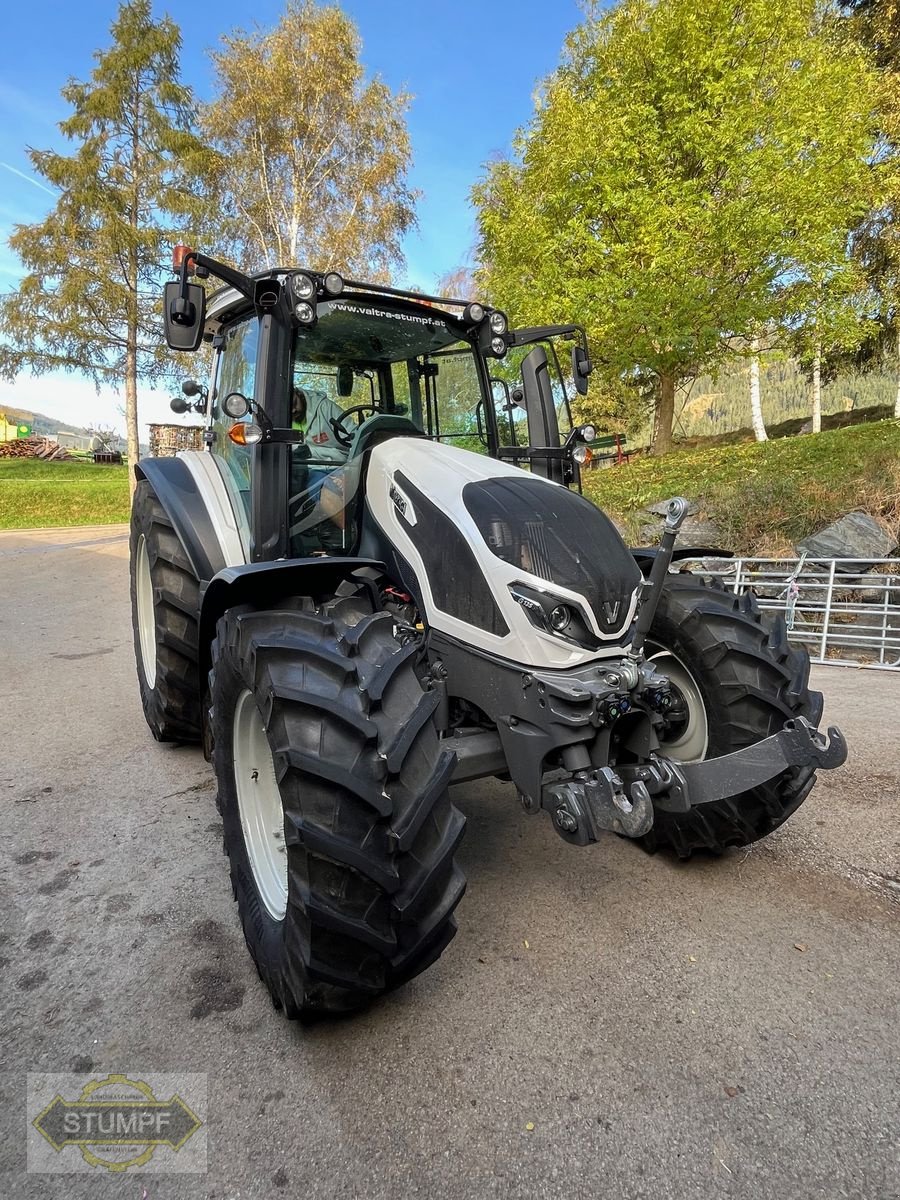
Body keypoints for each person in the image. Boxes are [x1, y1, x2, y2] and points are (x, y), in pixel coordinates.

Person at [291, 386, 348, 461]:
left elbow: (353, 436)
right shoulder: (283, 423)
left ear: (298, 393)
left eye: (295, 403)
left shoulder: (325, 408)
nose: (293, 410)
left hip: (335, 465)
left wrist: (310, 452)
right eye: (289, 408)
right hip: (302, 467)